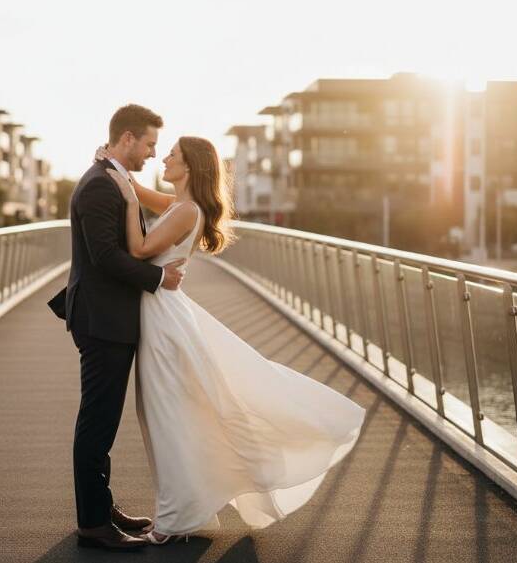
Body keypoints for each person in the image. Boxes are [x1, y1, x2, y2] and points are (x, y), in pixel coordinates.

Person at [96, 136, 366, 544]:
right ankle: (183, 511)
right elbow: (135, 189)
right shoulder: (180, 206)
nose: (164, 158)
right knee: (169, 414)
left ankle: (174, 520)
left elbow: (138, 249)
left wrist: (129, 201)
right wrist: (114, 165)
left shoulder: (185, 210)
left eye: (172, 155)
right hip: (162, 315)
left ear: (188, 168)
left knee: (166, 416)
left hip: (163, 322)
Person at [47, 104, 185, 551]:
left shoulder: (112, 179)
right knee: (97, 421)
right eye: (148, 144)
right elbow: (106, 257)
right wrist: (159, 278)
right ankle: (93, 523)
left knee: (102, 420)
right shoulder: (99, 188)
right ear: (127, 138)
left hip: (108, 316)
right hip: (102, 319)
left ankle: (100, 507)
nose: (151, 154)